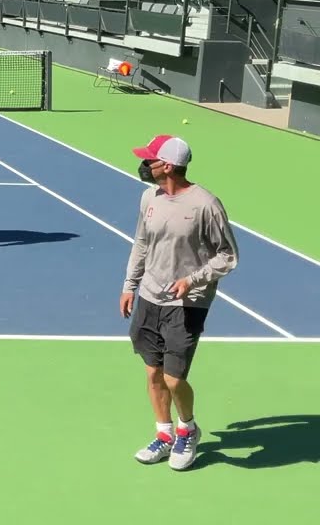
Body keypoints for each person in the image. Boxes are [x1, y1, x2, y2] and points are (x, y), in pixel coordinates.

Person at [121, 135, 238, 471]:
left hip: (188, 303)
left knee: (174, 378)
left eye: (149, 159)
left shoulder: (205, 205)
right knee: (153, 373)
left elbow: (228, 255)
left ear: (167, 166)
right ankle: (164, 435)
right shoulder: (149, 198)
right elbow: (142, 243)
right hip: (149, 296)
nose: (144, 164)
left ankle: (188, 429)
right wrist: (130, 285)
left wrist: (192, 280)